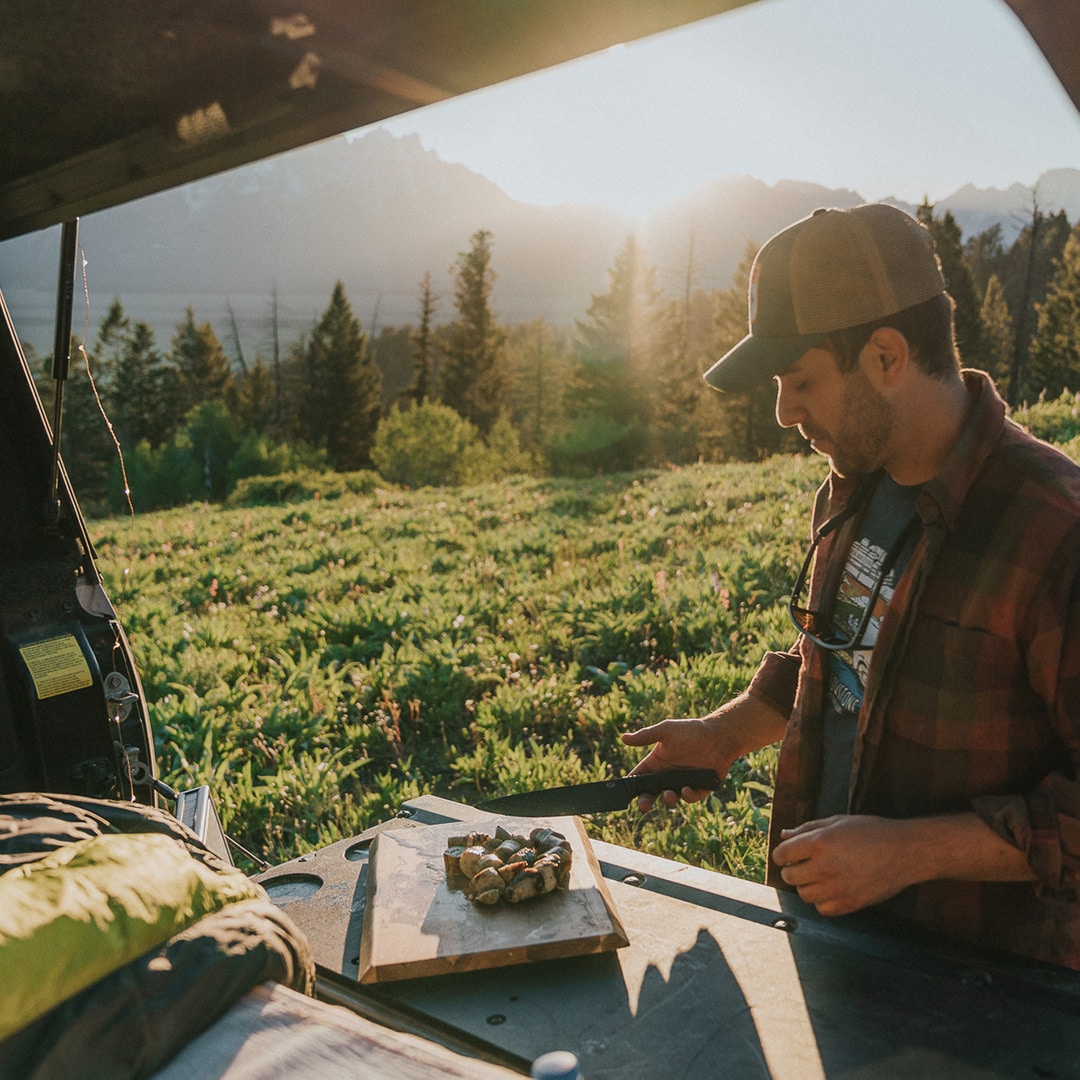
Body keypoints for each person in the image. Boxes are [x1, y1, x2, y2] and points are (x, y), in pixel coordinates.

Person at [623, 203, 1080, 969]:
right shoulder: (852, 487)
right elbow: (841, 657)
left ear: (887, 357)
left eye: (800, 380)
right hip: (831, 944)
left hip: (985, 989)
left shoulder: (1053, 532)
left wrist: (911, 852)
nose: (782, 412)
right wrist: (724, 735)